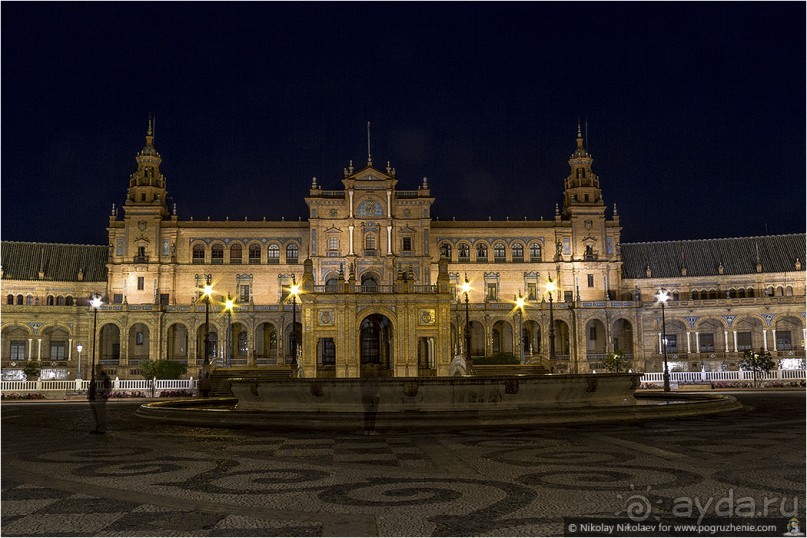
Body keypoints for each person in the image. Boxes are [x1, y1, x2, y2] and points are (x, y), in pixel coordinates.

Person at [89, 364, 111, 434]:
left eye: (98, 368)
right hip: (93, 398)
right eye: (96, 368)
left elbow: (108, 388)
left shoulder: (105, 377)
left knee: (100, 414)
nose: (97, 370)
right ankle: (98, 427)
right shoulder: (95, 377)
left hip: (99, 398)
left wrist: (103, 395)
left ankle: (101, 429)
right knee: (96, 414)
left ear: (101, 369)